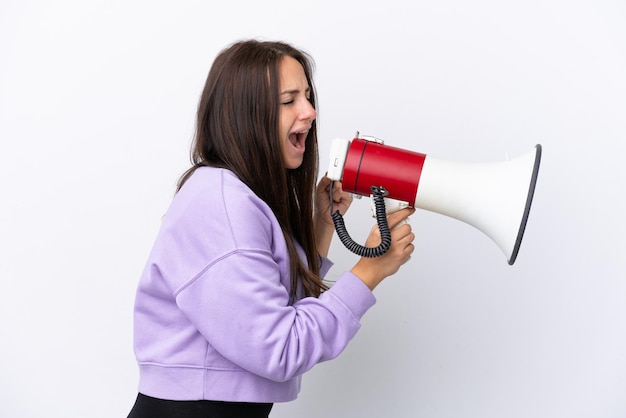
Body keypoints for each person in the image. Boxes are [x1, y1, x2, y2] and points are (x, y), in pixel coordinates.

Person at [127, 39, 415, 418]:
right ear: (246, 115)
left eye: (308, 97)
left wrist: (321, 223)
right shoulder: (222, 204)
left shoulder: (234, 195)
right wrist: (370, 270)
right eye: (288, 100)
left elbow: (270, 308)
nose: (310, 112)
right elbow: (279, 347)